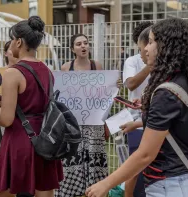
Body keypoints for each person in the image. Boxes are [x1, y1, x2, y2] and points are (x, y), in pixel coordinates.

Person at [86, 17, 188, 197]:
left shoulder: (166, 94)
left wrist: (106, 184)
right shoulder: (184, 82)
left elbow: (145, 154)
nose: (145, 49)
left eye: (151, 42)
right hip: (184, 178)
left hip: (171, 185)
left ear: (166, 46)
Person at [0, 16, 63, 197]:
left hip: (19, 140)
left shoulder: (13, 73)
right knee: (44, 190)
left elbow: (6, 119)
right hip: (46, 139)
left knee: (6, 191)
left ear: (18, 42)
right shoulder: (47, 70)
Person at [55, 33, 121, 197]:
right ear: (72, 49)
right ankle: (72, 190)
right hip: (72, 122)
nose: (83, 46)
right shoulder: (65, 67)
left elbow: (101, 92)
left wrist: (113, 86)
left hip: (93, 121)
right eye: (79, 44)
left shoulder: (96, 65)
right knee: (72, 155)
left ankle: (94, 189)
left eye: (85, 43)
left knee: (93, 154)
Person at [122, 22, 153, 197]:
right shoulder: (132, 61)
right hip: (136, 121)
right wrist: (150, 64)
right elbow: (131, 83)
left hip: (155, 121)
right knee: (135, 168)